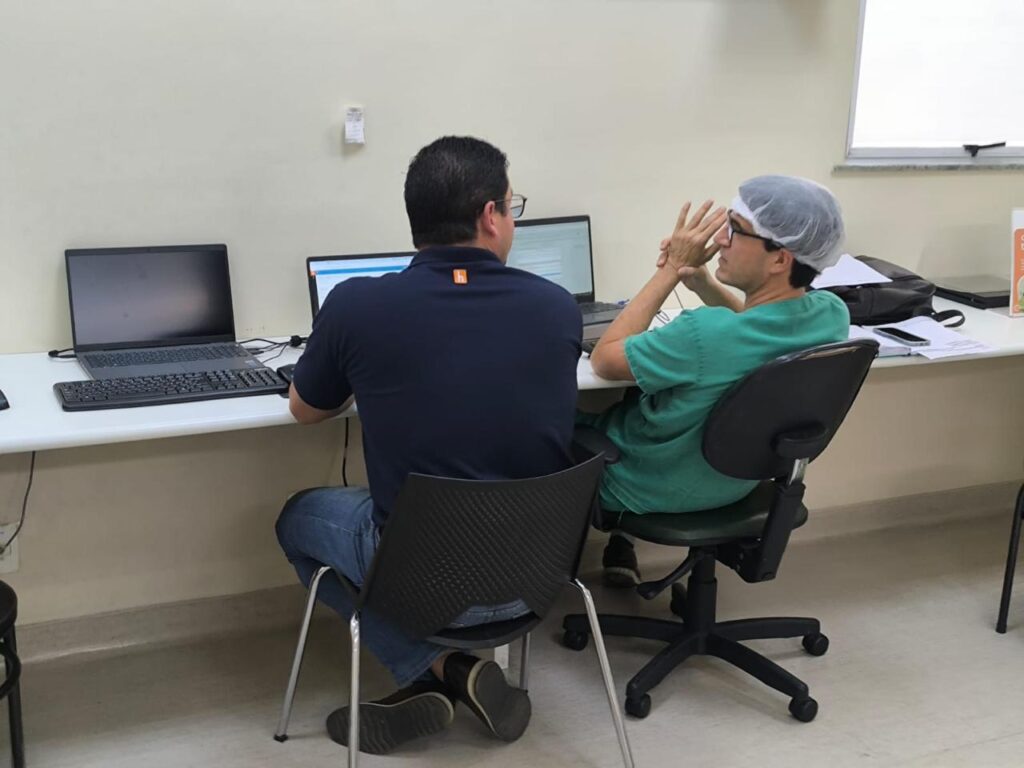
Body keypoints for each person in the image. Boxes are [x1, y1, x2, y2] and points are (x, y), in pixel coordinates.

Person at [276, 136, 582, 754]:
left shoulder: (358, 304)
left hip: (423, 580)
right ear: (490, 215)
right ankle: (458, 670)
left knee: (294, 520)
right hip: (538, 573)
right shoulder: (556, 307)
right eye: (513, 207)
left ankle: (433, 665)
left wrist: (365, 375)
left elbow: (305, 410)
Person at [581, 175, 851, 587]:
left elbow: (604, 359)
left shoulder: (702, 334)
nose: (721, 240)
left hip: (648, 486)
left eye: (735, 230)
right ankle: (621, 548)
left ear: (780, 259)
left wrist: (670, 270)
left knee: (559, 421)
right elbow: (755, 327)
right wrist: (703, 282)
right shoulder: (831, 314)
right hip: (735, 483)